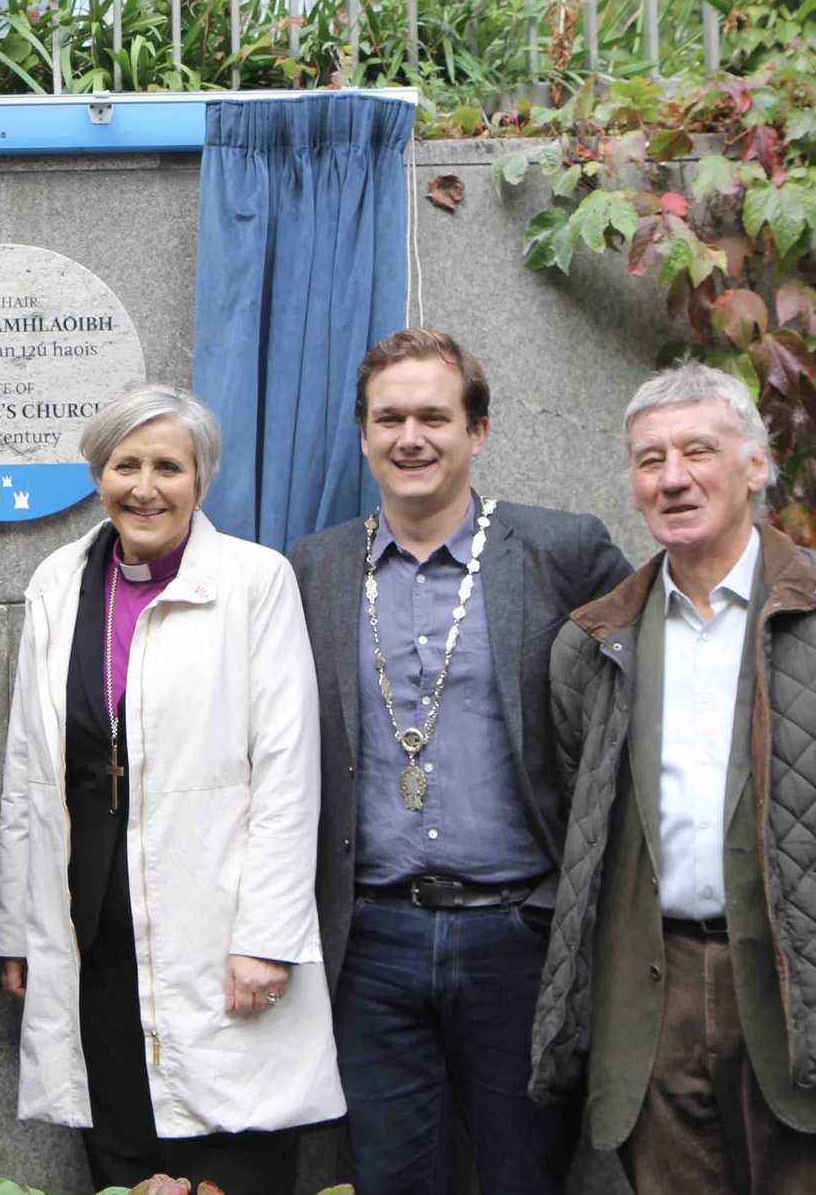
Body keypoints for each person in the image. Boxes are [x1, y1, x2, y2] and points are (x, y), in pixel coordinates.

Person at [528, 361, 816, 1194]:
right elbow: (583, 822)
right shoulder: (594, 643)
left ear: (755, 466)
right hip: (654, 996)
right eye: (649, 459)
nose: (673, 479)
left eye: (698, 450)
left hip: (804, 988)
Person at [288, 328, 631, 1195]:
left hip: (518, 934)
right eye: (389, 417)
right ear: (363, 435)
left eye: (435, 416)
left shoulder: (561, 551)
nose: (412, 436)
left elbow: (640, 709)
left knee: (528, 1175)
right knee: (389, 1179)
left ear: (477, 431)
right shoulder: (313, 569)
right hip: (370, 942)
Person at [0, 385, 344, 1195]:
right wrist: (17, 926)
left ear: (201, 479)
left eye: (167, 467)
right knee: (122, 1147)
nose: (144, 486)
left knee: (231, 1144)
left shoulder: (255, 582)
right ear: (97, 475)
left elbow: (290, 774)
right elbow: (29, 773)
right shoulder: (60, 582)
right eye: (125, 465)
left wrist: (267, 936)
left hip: (216, 916)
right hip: (94, 924)